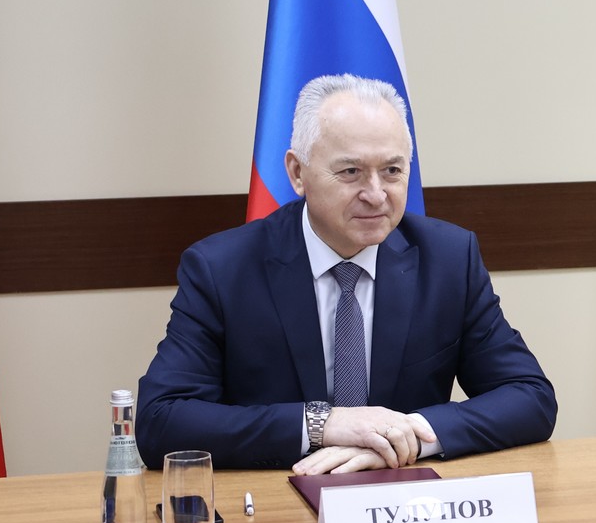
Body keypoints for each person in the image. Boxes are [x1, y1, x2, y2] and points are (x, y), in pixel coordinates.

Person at [137, 74, 557, 473]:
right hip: (276, 497)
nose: (376, 194)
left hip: (402, 502)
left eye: (392, 170)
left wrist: (407, 436)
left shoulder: (448, 259)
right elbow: (162, 420)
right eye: (350, 172)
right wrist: (322, 424)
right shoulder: (222, 269)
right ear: (297, 173)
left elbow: (530, 397)